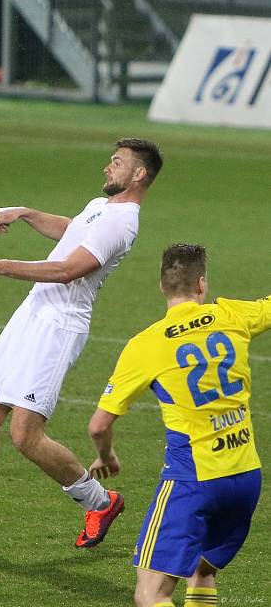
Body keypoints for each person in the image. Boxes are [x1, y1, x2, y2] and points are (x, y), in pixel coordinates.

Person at [0, 138, 164, 548]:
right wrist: (26, 213)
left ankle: (100, 502)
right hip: (31, 315)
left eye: (117, 163)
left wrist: (3, 267)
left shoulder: (123, 222)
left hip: (59, 327)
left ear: (139, 174)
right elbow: (72, 231)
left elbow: (70, 268)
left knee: (25, 435)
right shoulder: (101, 207)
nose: (108, 167)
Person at [87, 243, 269, 607]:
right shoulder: (233, 314)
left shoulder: (147, 344)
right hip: (246, 477)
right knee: (201, 571)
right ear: (202, 284)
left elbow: (98, 426)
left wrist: (106, 456)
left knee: (151, 595)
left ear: (161, 287)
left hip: (193, 482)